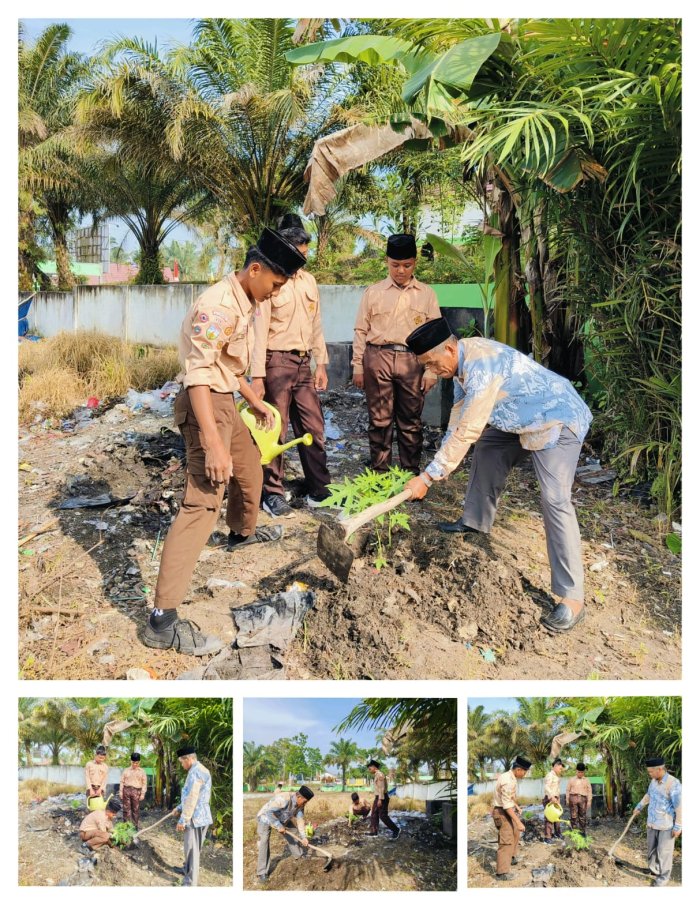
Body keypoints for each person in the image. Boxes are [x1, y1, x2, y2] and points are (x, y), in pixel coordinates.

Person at [145, 228, 306, 655]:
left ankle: (242, 533)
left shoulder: (244, 300)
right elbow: (198, 375)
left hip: (224, 401)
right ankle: (162, 621)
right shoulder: (218, 306)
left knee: (250, 468)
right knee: (201, 502)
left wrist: (255, 400)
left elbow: (225, 365)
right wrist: (213, 444)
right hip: (204, 406)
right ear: (255, 269)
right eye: (274, 284)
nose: (274, 294)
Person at [403, 317, 593, 632]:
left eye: (432, 364)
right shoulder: (459, 361)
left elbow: (469, 429)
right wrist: (441, 461)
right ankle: (475, 522)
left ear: (449, 349)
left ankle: (572, 598)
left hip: (557, 417)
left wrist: (428, 476)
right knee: (489, 448)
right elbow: (458, 418)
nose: (431, 372)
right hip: (520, 416)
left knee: (555, 499)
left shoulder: (481, 365)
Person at [251, 215, 331, 515]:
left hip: (303, 364)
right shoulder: (273, 280)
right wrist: (257, 375)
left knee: (313, 426)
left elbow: (316, 325)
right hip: (276, 362)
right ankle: (272, 492)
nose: (304, 257)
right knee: (276, 429)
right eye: (300, 251)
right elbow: (259, 332)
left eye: (306, 252)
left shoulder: (309, 282)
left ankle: (320, 490)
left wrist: (320, 364)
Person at [351, 234, 442, 474]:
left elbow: (435, 336)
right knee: (379, 420)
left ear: (415, 263)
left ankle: (409, 473)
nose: (400, 270)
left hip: (412, 362)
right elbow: (361, 330)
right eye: (395, 265)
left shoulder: (427, 294)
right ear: (387, 262)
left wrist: (431, 371)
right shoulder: (373, 292)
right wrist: (358, 366)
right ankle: (380, 473)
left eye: (407, 265)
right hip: (377, 358)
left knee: (410, 421)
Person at [632, 756, 682, 887]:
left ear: (659, 769)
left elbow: (680, 806)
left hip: (666, 825)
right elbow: (649, 795)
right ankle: (654, 870)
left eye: (650, 772)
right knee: (651, 850)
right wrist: (639, 806)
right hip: (652, 823)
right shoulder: (653, 781)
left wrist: (678, 825)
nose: (649, 774)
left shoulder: (673, 783)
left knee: (664, 853)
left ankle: (663, 878)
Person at [256, 785, 314, 883]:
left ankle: (299, 855)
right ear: (299, 797)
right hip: (265, 818)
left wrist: (303, 837)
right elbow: (269, 812)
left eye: (306, 802)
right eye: (305, 801)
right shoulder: (284, 798)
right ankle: (262, 872)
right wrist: (278, 825)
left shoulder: (301, 806)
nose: (305, 804)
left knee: (293, 831)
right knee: (264, 841)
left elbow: (300, 820)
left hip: (282, 817)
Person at [174, 746, 213, 887]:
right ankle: (187, 869)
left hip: (195, 818)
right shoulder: (198, 770)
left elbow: (191, 798)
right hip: (200, 816)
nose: (182, 765)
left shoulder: (196, 772)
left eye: (182, 762)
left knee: (192, 850)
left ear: (189, 759)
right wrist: (178, 807)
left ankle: (190, 883)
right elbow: (191, 795)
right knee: (192, 849)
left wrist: (183, 819)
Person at [492, 756, 531, 881]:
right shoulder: (507, 780)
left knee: (515, 834)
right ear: (519, 769)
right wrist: (518, 822)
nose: (524, 775)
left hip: (506, 810)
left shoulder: (511, 777)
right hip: (502, 812)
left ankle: (512, 857)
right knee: (506, 841)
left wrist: (517, 807)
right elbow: (506, 805)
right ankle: (502, 873)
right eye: (524, 772)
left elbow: (510, 798)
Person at [366, 759, 400, 839]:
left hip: (382, 797)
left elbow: (381, 788)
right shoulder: (376, 775)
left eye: (370, 767)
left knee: (383, 816)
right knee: (374, 814)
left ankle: (396, 830)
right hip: (378, 796)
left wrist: (380, 799)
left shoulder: (380, 774)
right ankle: (374, 831)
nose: (369, 769)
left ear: (374, 767)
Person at [119, 752, 147, 830]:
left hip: (136, 791)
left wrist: (142, 794)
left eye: (137, 763)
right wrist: (121, 792)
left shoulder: (142, 771)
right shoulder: (126, 770)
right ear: (131, 761)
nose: (135, 764)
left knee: (135, 810)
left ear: (139, 762)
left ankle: (135, 827)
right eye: (133, 762)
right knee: (126, 810)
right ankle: (126, 827)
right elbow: (122, 781)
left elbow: (144, 783)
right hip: (126, 791)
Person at [565, 763, 593, 837]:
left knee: (582, 816)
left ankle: (582, 832)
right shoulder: (571, 779)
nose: (580, 774)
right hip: (573, 798)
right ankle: (574, 831)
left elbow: (589, 791)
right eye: (579, 772)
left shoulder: (587, 780)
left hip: (583, 799)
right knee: (573, 816)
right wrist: (567, 799)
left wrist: (589, 801)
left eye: (582, 772)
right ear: (576, 771)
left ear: (584, 772)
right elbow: (567, 790)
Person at [543, 758, 564, 844]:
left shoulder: (555, 776)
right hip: (550, 799)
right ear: (555, 766)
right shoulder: (550, 775)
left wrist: (557, 798)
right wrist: (552, 797)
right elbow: (547, 787)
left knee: (557, 816)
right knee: (550, 818)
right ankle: (548, 837)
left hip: (556, 798)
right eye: (560, 768)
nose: (561, 770)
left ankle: (557, 833)